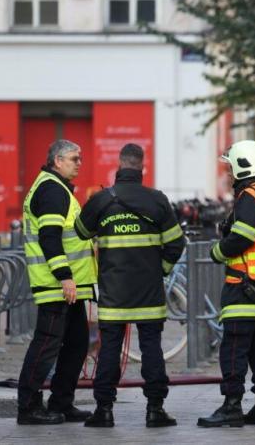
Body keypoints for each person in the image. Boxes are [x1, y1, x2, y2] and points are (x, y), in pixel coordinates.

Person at [74, 143, 185, 427]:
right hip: (149, 292)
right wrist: (159, 270)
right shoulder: (157, 200)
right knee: (151, 349)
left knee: (109, 349)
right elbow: (176, 242)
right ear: (142, 168)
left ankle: (104, 411)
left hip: (113, 292)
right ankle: (155, 410)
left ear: (119, 166)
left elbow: (81, 230)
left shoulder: (101, 200)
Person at [197, 140, 255, 428]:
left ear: (244, 166)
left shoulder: (248, 197)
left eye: (231, 167)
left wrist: (218, 251)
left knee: (233, 348)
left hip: (241, 286)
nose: (229, 173)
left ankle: (232, 406)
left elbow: (243, 235)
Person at [17, 140, 98, 425]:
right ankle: (28, 407)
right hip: (57, 285)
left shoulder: (58, 188)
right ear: (57, 160)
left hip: (68, 286)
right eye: (75, 158)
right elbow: (49, 238)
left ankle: (61, 403)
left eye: (81, 158)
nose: (79, 163)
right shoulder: (52, 190)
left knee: (77, 343)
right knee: (46, 345)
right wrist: (65, 277)